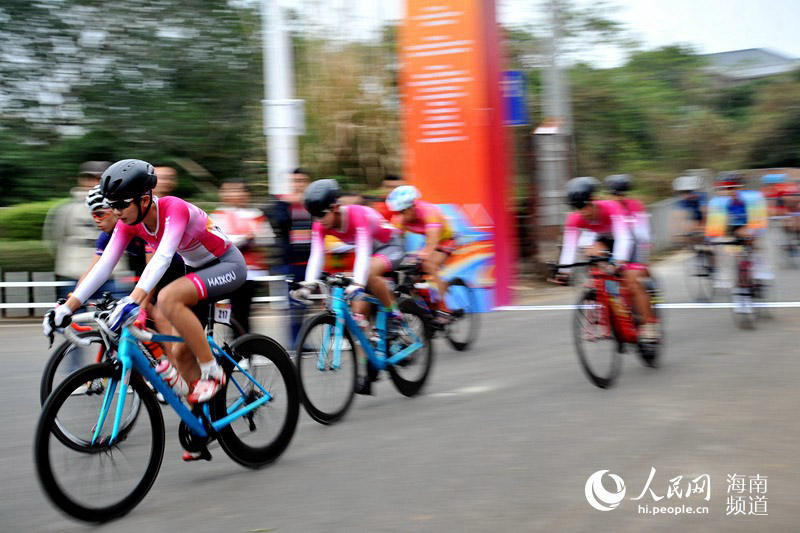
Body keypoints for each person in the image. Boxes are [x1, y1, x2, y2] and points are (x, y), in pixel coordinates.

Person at [43, 159, 247, 410]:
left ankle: (212, 371)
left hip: (226, 264)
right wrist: (68, 307)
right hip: (197, 270)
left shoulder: (174, 208)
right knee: (182, 353)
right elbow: (103, 266)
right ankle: (202, 427)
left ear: (144, 199)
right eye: (111, 205)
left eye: (120, 205)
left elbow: (162, 258)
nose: (116, 212)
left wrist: (134, 299)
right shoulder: (129, 223)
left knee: (168, 298)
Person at [295, 179, 405, 395]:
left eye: (321, 215)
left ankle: (395, 316)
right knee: (357, 316)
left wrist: (357, 283)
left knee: (369, 273)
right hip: (366, 253)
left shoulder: (357, 215)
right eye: (314, 216)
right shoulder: (321, 223)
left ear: (335, 208)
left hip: (389, 245)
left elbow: (364, 253)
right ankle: (369, 366)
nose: (318, 221)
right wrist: (308, 285)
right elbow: (316, 256)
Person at [555, 177, 660, 343]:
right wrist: (563, 271)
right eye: (575, 207)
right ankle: (604, 302)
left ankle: (649, 324)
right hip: (604, 239)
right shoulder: (575, 218)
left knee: (632, 281)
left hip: (627, 239)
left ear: (593, 200)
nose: (580, 211)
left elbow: (624, 238)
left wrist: (617, 263)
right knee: (591, 253)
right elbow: (570, 247)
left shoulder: (611, 207)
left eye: (582, 205)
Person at [386, 185, 456, 324]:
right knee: (410, 273)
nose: (401, 216)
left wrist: (422, 255)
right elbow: (392, 241)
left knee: (428, 264)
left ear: (412, 206)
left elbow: (433, 242)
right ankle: (425, 306)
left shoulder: (429, 212)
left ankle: (444, 307)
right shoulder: (400, 218)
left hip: (445, 240)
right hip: (428, 242)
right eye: (398, 212)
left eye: (403, 211)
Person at [212, 179, 274, 333]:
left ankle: (243, 349)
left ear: (246, 194)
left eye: (238, 190)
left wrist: (250, 240)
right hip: (223, 271)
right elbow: (215, 240)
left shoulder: (256, 215)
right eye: (229, 190)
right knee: (224, 312)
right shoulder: (216, 215)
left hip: (249, 271)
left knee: (241, 313)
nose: (233, 194)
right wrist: (244, 239)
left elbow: (266, 238)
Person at [44, 161, 111, 298]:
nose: (94, 182)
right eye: (90, 178)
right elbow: (55, 239)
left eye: (100, 178)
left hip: (111, 273)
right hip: (74, 273)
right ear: (81, 179)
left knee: (116, 316)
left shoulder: (119, 207)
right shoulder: (66, 209)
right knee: (72, 316)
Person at [706, 172, 772, 311]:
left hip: (752, 222)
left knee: (752, 243)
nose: (729, 192)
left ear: (740, 187)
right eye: (725, 189)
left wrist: (750, 234)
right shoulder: (717, 202)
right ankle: (740, 291)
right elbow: (714, 229)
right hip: (732, 228)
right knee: (731, 256)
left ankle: (759, 266)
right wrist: (713, 242)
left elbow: (759, 223)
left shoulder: (753, 197)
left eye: (733, 188)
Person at [268, 168, 313, 346]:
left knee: (306, 301)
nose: (299, 184)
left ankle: (302, 340)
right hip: (291, 261)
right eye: (295, 181)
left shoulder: (313, 203)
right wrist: (289, 204)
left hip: (310, 261)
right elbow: (279, 224)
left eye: (302, 180)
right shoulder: (283, 203)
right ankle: (295, 341)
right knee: (294, 301)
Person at [604, 174, 651, 265]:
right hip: (613, 239)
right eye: (614, 194)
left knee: (636, 267)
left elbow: (642, 232)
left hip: (634, 241)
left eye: (621, 194)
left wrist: (644, 250)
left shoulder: (635, 205)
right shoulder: (605, 205)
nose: (617, 197)